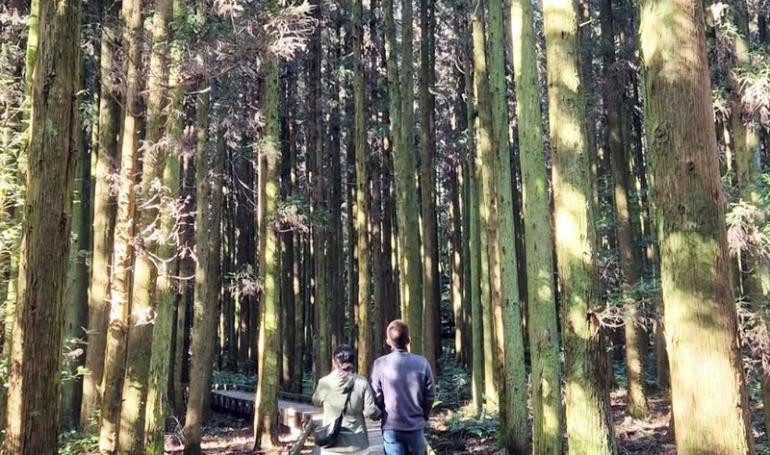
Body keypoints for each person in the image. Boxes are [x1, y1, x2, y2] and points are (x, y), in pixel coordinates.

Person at [371, 320, 435, 455]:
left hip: (391, 426)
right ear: (409, 340)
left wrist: (382, 415)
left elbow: (376, 395)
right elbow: (430, 395)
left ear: (388, 342)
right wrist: (423, 415)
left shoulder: (379, 364)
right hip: (416, 425)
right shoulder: (422, 363)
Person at [313, 345, 381, 454]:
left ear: (334, 362)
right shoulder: (362, 382)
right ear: (353, 362)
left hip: (332, 443)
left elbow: (316, 401)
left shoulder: (324, 383)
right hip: (358, 443)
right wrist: (380, 413)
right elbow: (370, 411)